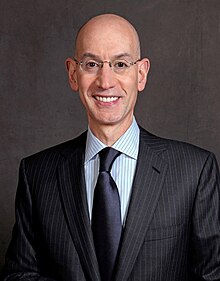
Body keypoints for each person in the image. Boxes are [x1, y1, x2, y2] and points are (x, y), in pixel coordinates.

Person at [2, 13, 220, 281]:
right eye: (91, 64)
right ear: (73, 74)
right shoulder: (36, 174)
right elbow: (19, 276)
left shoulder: (194, 171)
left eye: (121, 64)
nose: (105, 81)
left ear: (141, 74)